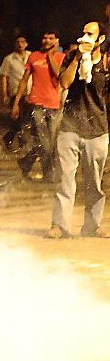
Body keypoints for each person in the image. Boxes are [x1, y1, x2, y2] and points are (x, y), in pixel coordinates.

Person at [48, 22, 110, 239]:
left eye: (89, 34)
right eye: (83, 32)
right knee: (65, 178)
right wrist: (76, 59)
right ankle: (60, 225)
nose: (84, 37)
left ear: (100, 39)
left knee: (94, 183)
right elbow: (64, 83)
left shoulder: (106, 61)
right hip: (70, 128)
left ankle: (92, 226)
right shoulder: (72, 55)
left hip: (97, 130)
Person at [12, 30, 65, 182]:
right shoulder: (33, 56)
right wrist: (16, 103)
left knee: (50, 142)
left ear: (56, 41)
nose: (47, 40)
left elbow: (59, 76)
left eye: (50, 38)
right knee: (44, 140)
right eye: (45, 37)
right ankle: (48, 174)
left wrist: (50, 55)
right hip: (36, 104)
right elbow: (24, 80)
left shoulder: (61, 57)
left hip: (54, 105)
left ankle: (25, 163)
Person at [0, 36, 30, 149]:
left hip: (30, 92)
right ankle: (20, 141)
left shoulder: (31, 56)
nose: (20, 44)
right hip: (16, 92)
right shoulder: (9, 59)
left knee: (26, 119)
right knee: (18, 118)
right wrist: (5, 94)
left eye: (22, 42)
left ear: (26, 44)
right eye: (18, 42)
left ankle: (10, 138)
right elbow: (4, 77)